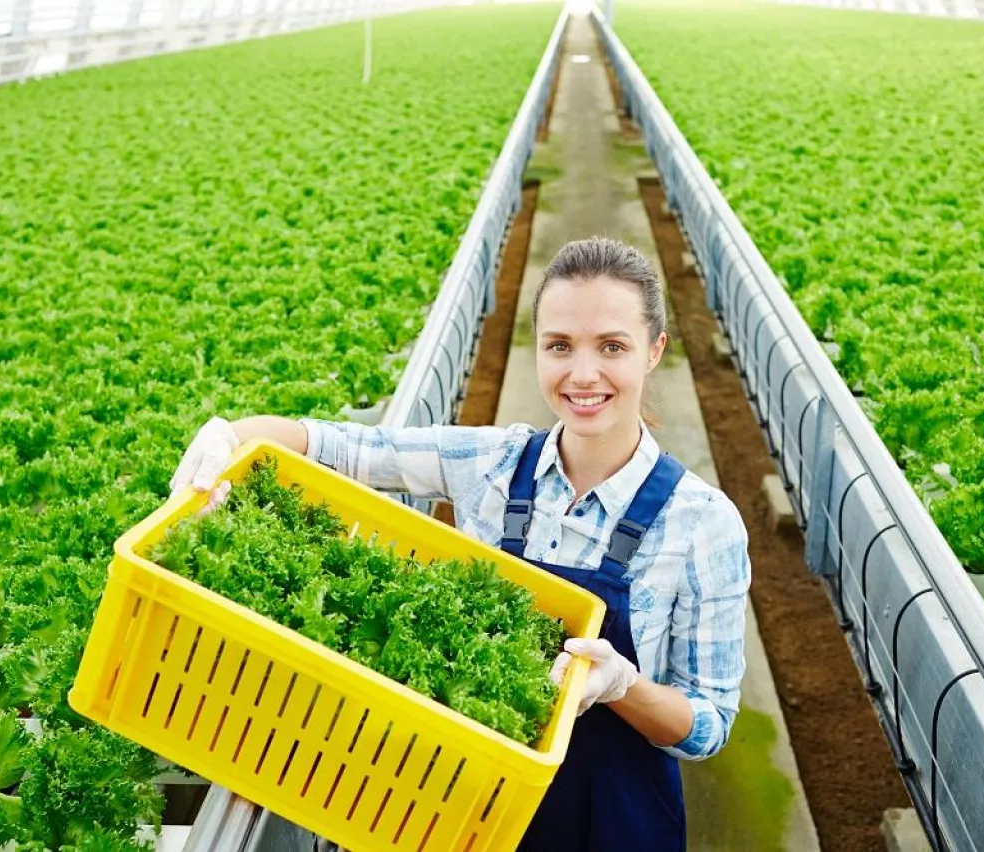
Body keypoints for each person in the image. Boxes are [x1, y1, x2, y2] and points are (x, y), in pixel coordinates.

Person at [169, 237, 750, 851]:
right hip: (463, 812)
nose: (583, 374)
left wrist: (622, 687)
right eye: (559, 347)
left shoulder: (702, 523)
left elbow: (707, 723)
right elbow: (341, 446)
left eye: (612, 347)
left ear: (654, 350)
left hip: (613, 819)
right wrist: (232, 436)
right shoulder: (491, 463)